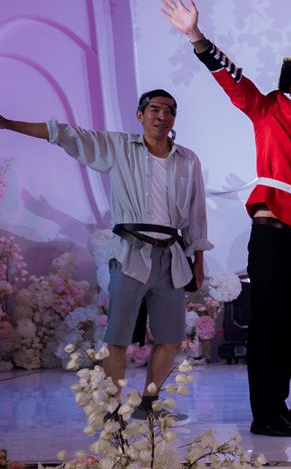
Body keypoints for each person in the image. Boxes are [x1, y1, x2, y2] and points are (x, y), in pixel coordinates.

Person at [160, 0, 291, 438]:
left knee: (290, 326)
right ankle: (263, 414)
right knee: (266, 324)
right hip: (272, 232)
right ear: (290, 90)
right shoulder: (268, 109)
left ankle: (278, 404)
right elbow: (234, 80)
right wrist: (197, 37)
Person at [1, 91, 209, 417]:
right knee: (118, 337)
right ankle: (112, 411)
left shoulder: (188, 159)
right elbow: (65, 134)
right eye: (154, 109)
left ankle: (149, 404)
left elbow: (197, 212)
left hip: (171, 256)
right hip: (130, 253)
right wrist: (8, 123)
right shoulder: (119, 146)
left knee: (170, 336)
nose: (161, 116)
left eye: (169, 111)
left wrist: (198, 260)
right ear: (140, 115)